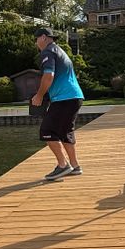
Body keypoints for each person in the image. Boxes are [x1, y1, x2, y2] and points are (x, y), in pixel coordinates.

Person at [31, 27, 84, 180]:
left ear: (43, 37)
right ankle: (75, 166)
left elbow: (49, 75)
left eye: (36, 39)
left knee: (46, 131)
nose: (36, 43)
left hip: (64, 98)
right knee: (65, 132)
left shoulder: (47, 52)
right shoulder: (59, 50)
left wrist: (39, 96)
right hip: (74, 96)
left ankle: (63, 165)